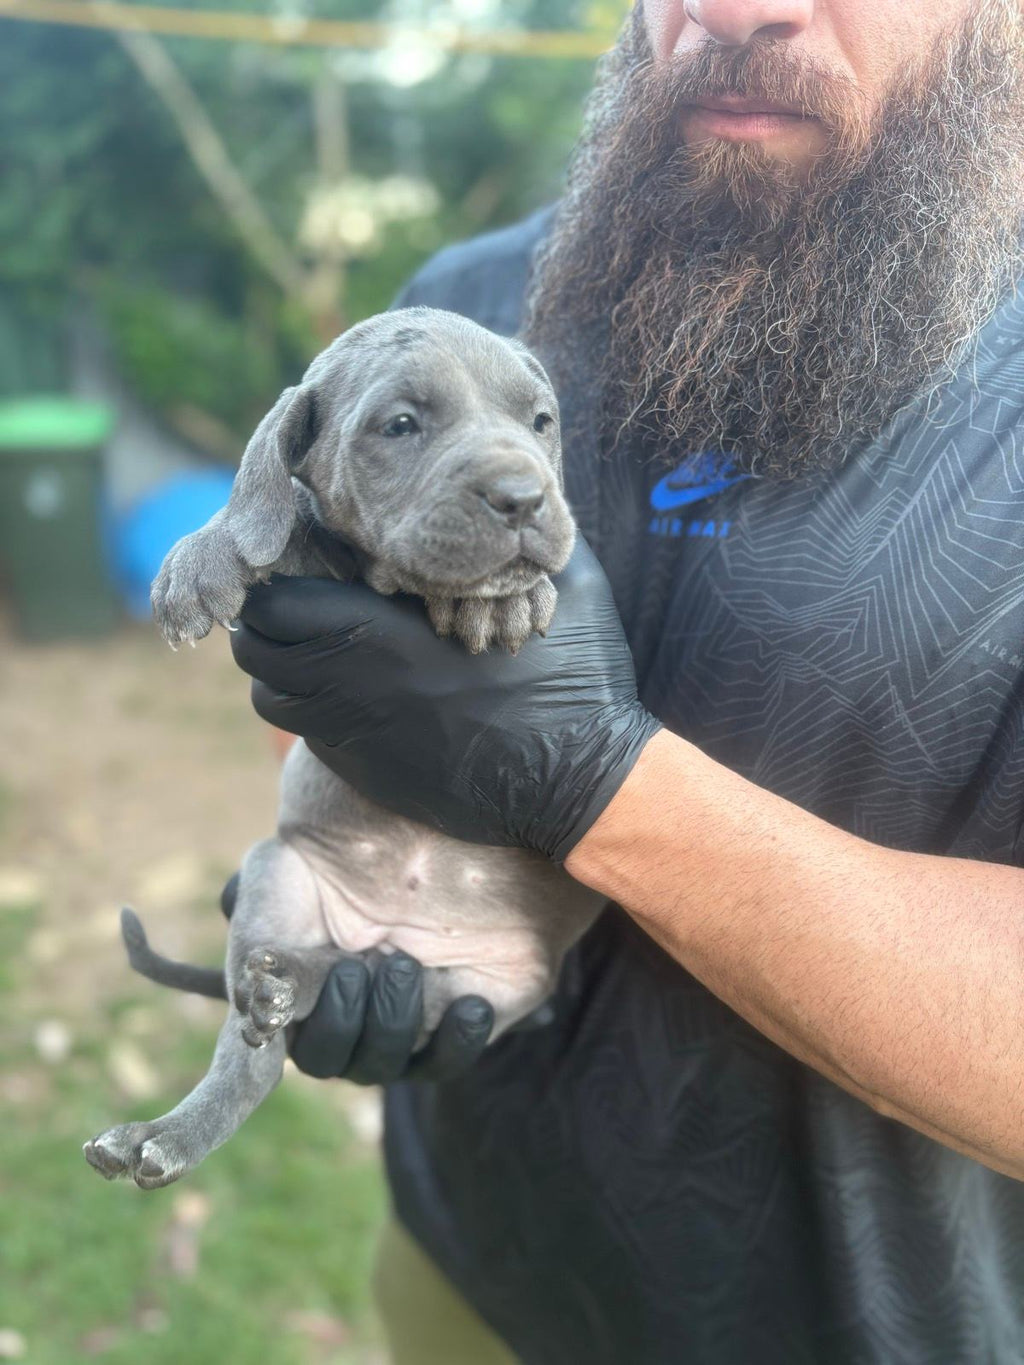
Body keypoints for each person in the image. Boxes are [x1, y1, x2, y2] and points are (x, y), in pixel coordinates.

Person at [229, 2, 1024, 1360]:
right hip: (461, 1269)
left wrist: (604, 783)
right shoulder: (457, 310)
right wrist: (339, 893)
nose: (731, 9)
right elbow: (340, 698)